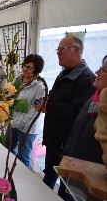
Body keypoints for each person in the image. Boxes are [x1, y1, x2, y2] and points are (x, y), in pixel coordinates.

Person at [34, 36, 95, 200]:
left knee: (65, 189)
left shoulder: (86, 79)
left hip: (67, 144)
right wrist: (46, 102)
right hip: (55, 139)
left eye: (62, 49)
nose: (58, 53)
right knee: (48, 177)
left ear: (77, 50)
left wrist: (49, 107)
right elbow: (56, 99)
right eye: (57, 49)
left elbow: (79, 111)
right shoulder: (65, 73)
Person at [63, 55, 107, 165]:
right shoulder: (93, 98)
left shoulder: (86, 78)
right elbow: (77, 129)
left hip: (93, 172)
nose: (97, 72)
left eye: (104, 70)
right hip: (74, 163)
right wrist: (66, 154)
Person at [4, 54, 45, 168]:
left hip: (27, 127)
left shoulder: (39, 87)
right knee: (8, 148)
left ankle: (22, 181)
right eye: (24, 66)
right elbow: (11, 97)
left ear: (36, 69)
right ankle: (8, 171)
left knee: (23, 156)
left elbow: (34, 111)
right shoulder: (18, 79)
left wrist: (14, 123)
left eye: (29, 67)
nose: (25, 69)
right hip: (13, 120)